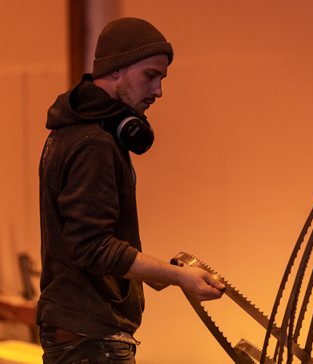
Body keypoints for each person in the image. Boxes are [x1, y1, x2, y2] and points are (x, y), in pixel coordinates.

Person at [37, 17, 225, 363]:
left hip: (84, 336)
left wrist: (153, 277)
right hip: (92, 340)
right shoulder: (94, 143)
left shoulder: (73, 132)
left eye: (161, 79)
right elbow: (93, 248)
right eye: (150, 76)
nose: (158, 91)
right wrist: (179, 277)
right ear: (116, 70)